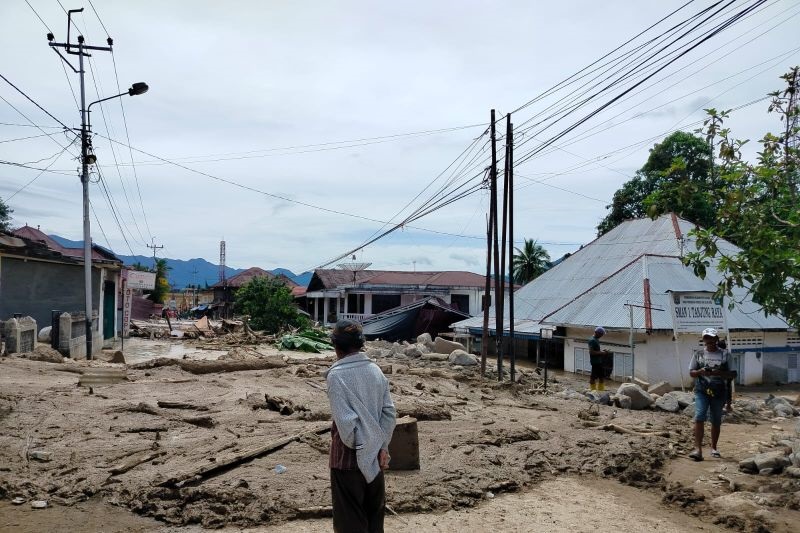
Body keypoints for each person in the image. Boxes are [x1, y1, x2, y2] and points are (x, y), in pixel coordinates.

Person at [324, 319, 396, 532]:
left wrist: (364, 449)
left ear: (336, 346)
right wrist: (380, 447)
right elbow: (389, 413)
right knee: (374, 521)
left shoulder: (336, 376)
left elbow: (347, 427)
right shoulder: (375, 370)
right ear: (360, 344)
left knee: (349, 524)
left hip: (347, 461)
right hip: (376, 459)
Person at [688, 327, 734, 461]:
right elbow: (691, 372)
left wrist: (719, 373)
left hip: (719, 391)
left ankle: (714, 447)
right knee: (699, 416)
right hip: (701, 390)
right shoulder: (698, 354)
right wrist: (700, 372)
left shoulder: (726, 355)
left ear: (716, 339)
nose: (709, 340)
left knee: (716, 419)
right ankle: (698, 450)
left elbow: (733, 374)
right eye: (706, 337)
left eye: (712, 338)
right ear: (703, 339)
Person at [588, 326, 613, 391]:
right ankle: (593, 391)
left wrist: (602, 351)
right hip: (595, 362)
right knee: (593, 378)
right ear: (596, 332)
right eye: (601, 334)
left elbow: (596, 350)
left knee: (601, 377)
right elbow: (591, 352)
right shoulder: (592, 340)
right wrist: (602, 353)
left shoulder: (596, 339)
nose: (601, 336)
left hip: (599, 361)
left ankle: (600, 391)